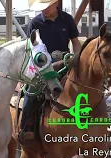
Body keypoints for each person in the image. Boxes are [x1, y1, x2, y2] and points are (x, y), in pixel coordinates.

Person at [17, 0, 81, 142]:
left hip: (65, 63)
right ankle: (26, 127)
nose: (44, 10)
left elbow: (75, 42)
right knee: (31, 91)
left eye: (46, 6)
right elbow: (30, 47)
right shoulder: (35, 23)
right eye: (42, 7)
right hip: (42, 66)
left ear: (55, 4)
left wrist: (78, 59)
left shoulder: (67, 19)